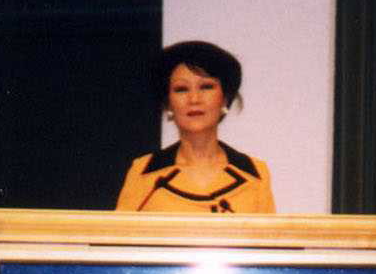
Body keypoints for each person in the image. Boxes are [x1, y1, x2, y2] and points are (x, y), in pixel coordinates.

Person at [116, 41, 276, 213]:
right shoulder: (144, 171)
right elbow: (119, 230)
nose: (194, 99)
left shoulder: (254, 173)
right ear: (168, 103)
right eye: (181, 89)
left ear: (225, 99)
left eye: (206, 87)